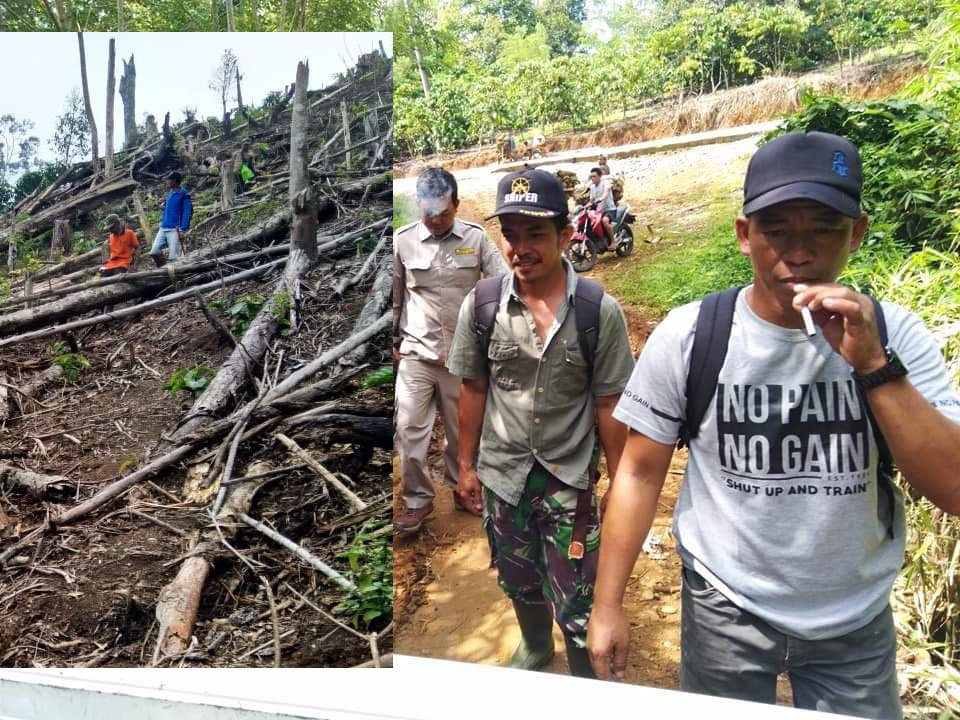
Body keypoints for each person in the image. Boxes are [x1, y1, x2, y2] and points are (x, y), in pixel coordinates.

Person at [587, 131, 960, 719]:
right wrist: (607, 605)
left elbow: (953, 488)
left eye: (823, 229)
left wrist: (872, 367)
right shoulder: (692, 336)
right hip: (724, 607)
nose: (799, 251)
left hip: (854, 617)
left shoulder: (896, 338)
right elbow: (636, 472)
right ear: (744, 235)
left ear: (857, 233)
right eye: (776, 230)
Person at [446, 169, 634, 677]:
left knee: (577, 594)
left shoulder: (598, 311)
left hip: (567, 482)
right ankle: (534, 644)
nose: (519, 247)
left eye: (535, 235)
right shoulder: (484, 305)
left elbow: (610, 403)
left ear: (566, 235)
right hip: (503, 476)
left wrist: (621, 482)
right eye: (510, 234)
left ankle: (580, 674)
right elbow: (474, 388)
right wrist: (465, 466)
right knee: (517, 575)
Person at [393, 167, 508, 535]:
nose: (437, 221)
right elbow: (395, 297)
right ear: (419, 207)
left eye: (444, 213)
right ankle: (417, 500)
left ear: (456, 205)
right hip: (416, 354)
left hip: (464, 356)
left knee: (463, 433)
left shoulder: (474, 240)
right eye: (429, 214)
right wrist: (391, 342)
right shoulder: (402, 241)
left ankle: (463, 487)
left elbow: (503, 285)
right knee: (408, 427)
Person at [150, 172, 192, 267]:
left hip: (175, 229)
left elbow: (186, 213)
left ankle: (176, 276)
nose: (167, 182)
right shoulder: (170, 193)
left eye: (169, 180)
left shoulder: (184, 194)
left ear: (174, 181)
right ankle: (163, 269)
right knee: (154, 252)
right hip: (163, 227)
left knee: (174, 257)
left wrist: (182, 230)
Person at [588, 167, 617, 250]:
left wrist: (601, 198)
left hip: (609, 209)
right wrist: (585, 206)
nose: (592, 178)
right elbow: (591, 200)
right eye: (591, 176)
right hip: (599, 211)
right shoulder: (592, 187)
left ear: (600, 176)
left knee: (605, 221)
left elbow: (606, 192)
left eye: (594, 176)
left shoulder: (605, 183)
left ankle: (613, 241)